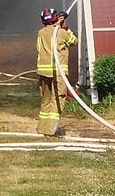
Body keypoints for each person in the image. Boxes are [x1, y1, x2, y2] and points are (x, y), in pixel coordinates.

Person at [36, 7, 77, 136]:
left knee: (46, 100)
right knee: (58, 99)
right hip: (58, 73)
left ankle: (42, 128)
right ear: (55, 18)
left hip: (43, 72)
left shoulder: (41, 33)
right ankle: (51, 130)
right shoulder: (61, 32)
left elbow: (38, 48)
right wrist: (64, 27)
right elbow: (74, 40)